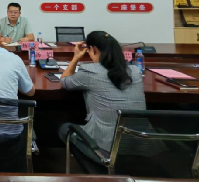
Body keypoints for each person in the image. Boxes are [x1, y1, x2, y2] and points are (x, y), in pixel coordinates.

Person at [59, 31, 146, 163]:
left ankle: (95, 167)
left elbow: (64, 81)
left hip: (107, 150)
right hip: (142, 146)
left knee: (64, 129)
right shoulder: (135, 71)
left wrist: (76, 58)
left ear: (93, 49)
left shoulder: (90, 71)